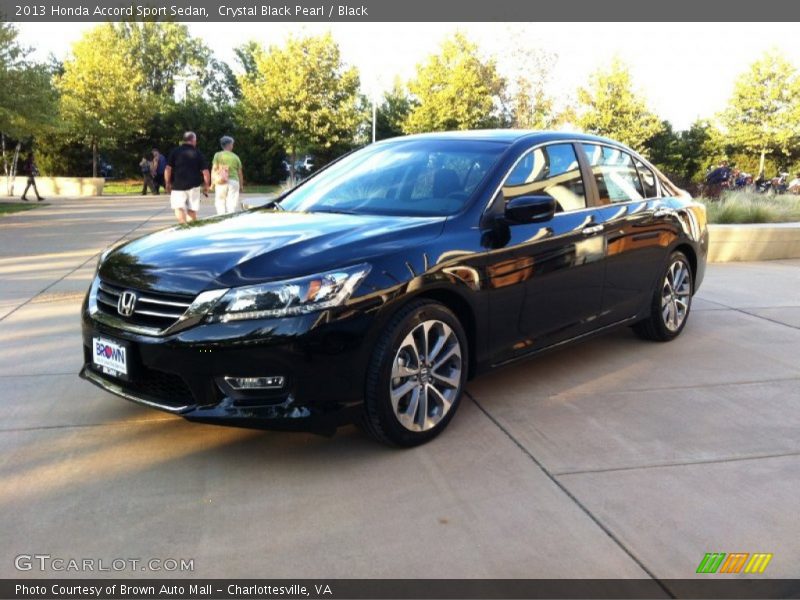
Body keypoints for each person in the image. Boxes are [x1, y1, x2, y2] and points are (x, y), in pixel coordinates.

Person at [164, 132, 209, 224]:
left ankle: (183, 226)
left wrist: (167, 183)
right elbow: (205, 172)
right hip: (194, 186)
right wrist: (206, 185)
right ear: (193, 140)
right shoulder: (198, 153)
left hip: (178, 185)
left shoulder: (175, 151)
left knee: (179, 207)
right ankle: (190, 230)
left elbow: (168, 169)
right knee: (192, 209)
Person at [211, 135, 244, 215]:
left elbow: (214, 169)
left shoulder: (217, 155)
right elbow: (240, 173)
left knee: (220, 202)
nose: (232, 146)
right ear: (229, 145)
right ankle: (230, 218)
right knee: (232, 203)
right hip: (233, 181)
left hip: (221, 181)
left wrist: (212, 183)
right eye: (232, 144)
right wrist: (241, 185)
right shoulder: (236, 157)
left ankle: (221, 218)